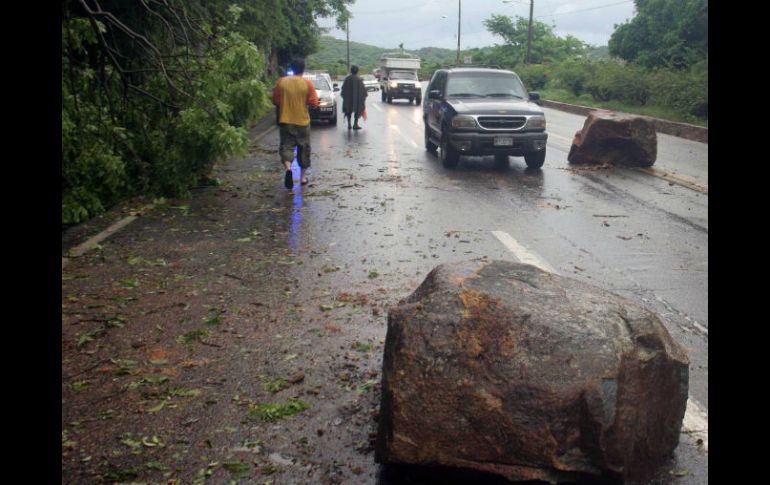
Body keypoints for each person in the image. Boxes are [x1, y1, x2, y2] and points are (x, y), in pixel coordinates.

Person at [272, 58, 319, 189]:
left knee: (286, 146)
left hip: (285, 120)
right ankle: (302, 178)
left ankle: (288, 169)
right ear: (303, 69)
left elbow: (275, 100)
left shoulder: (281, 82)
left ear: (291, 69)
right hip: (303, 122)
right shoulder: (307, 84)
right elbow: (314, 102)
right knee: (304, 148)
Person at [341, 65, 367, 130]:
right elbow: (363, 91)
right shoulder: (359, 79)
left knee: (348, 110)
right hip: (357, 100)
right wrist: (362, 98)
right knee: (357, 110)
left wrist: (345, 97)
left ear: (351, 71)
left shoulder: (347, 79)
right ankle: (355, 124)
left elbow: (343, 89)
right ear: (357, 71)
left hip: (348, 99)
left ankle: (349, 124)